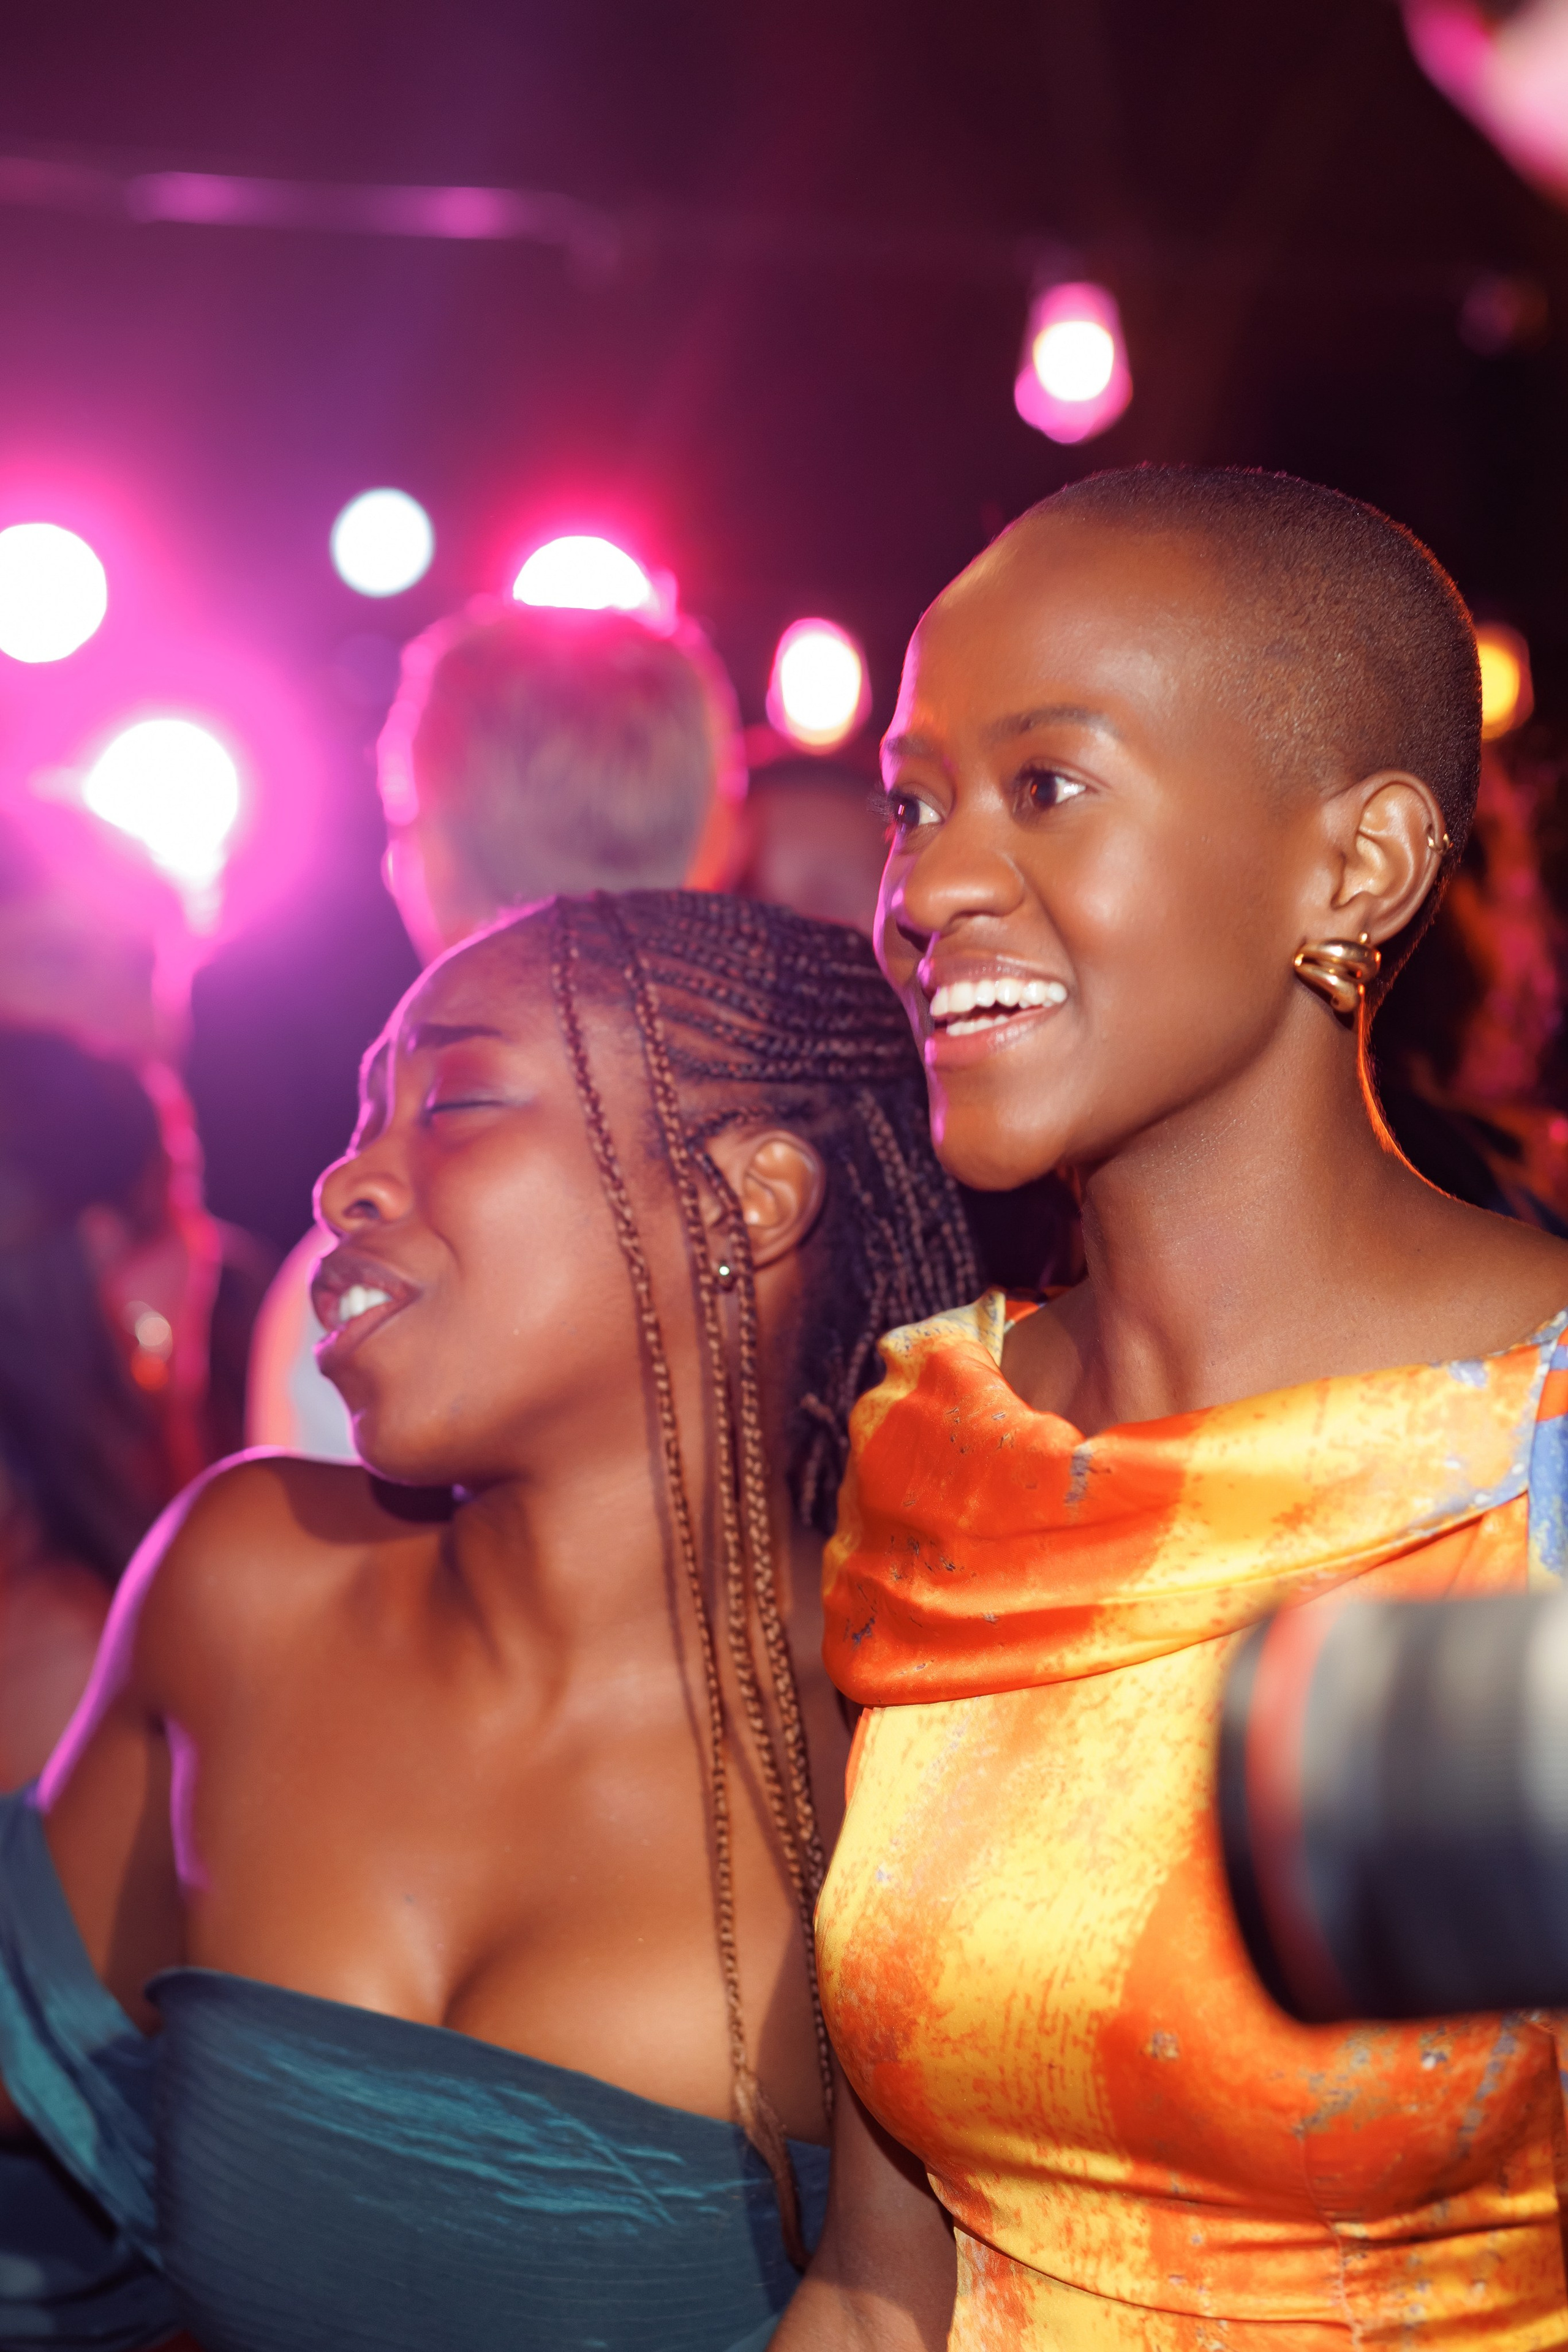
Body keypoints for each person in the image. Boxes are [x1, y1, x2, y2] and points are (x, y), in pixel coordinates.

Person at [778, 467, 1568, 2348]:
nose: (927, 889)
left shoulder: (1521, 1470)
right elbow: (880, 2290)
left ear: (1356, 869)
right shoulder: (941, 1444)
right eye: (916, 804)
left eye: (1048, 786)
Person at [0, 891, 977, 2352]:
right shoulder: (253, 1587)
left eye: (454, 1100)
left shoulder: (913, 1748)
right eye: (361, 1117)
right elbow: (35, 2095)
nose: (345, 1181)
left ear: (751, 1197)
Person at [247, 595, 745, 1459]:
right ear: (724, 829)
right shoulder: (820, 1188)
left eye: (402, 825)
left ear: (432, 859)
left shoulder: (361, 1278)